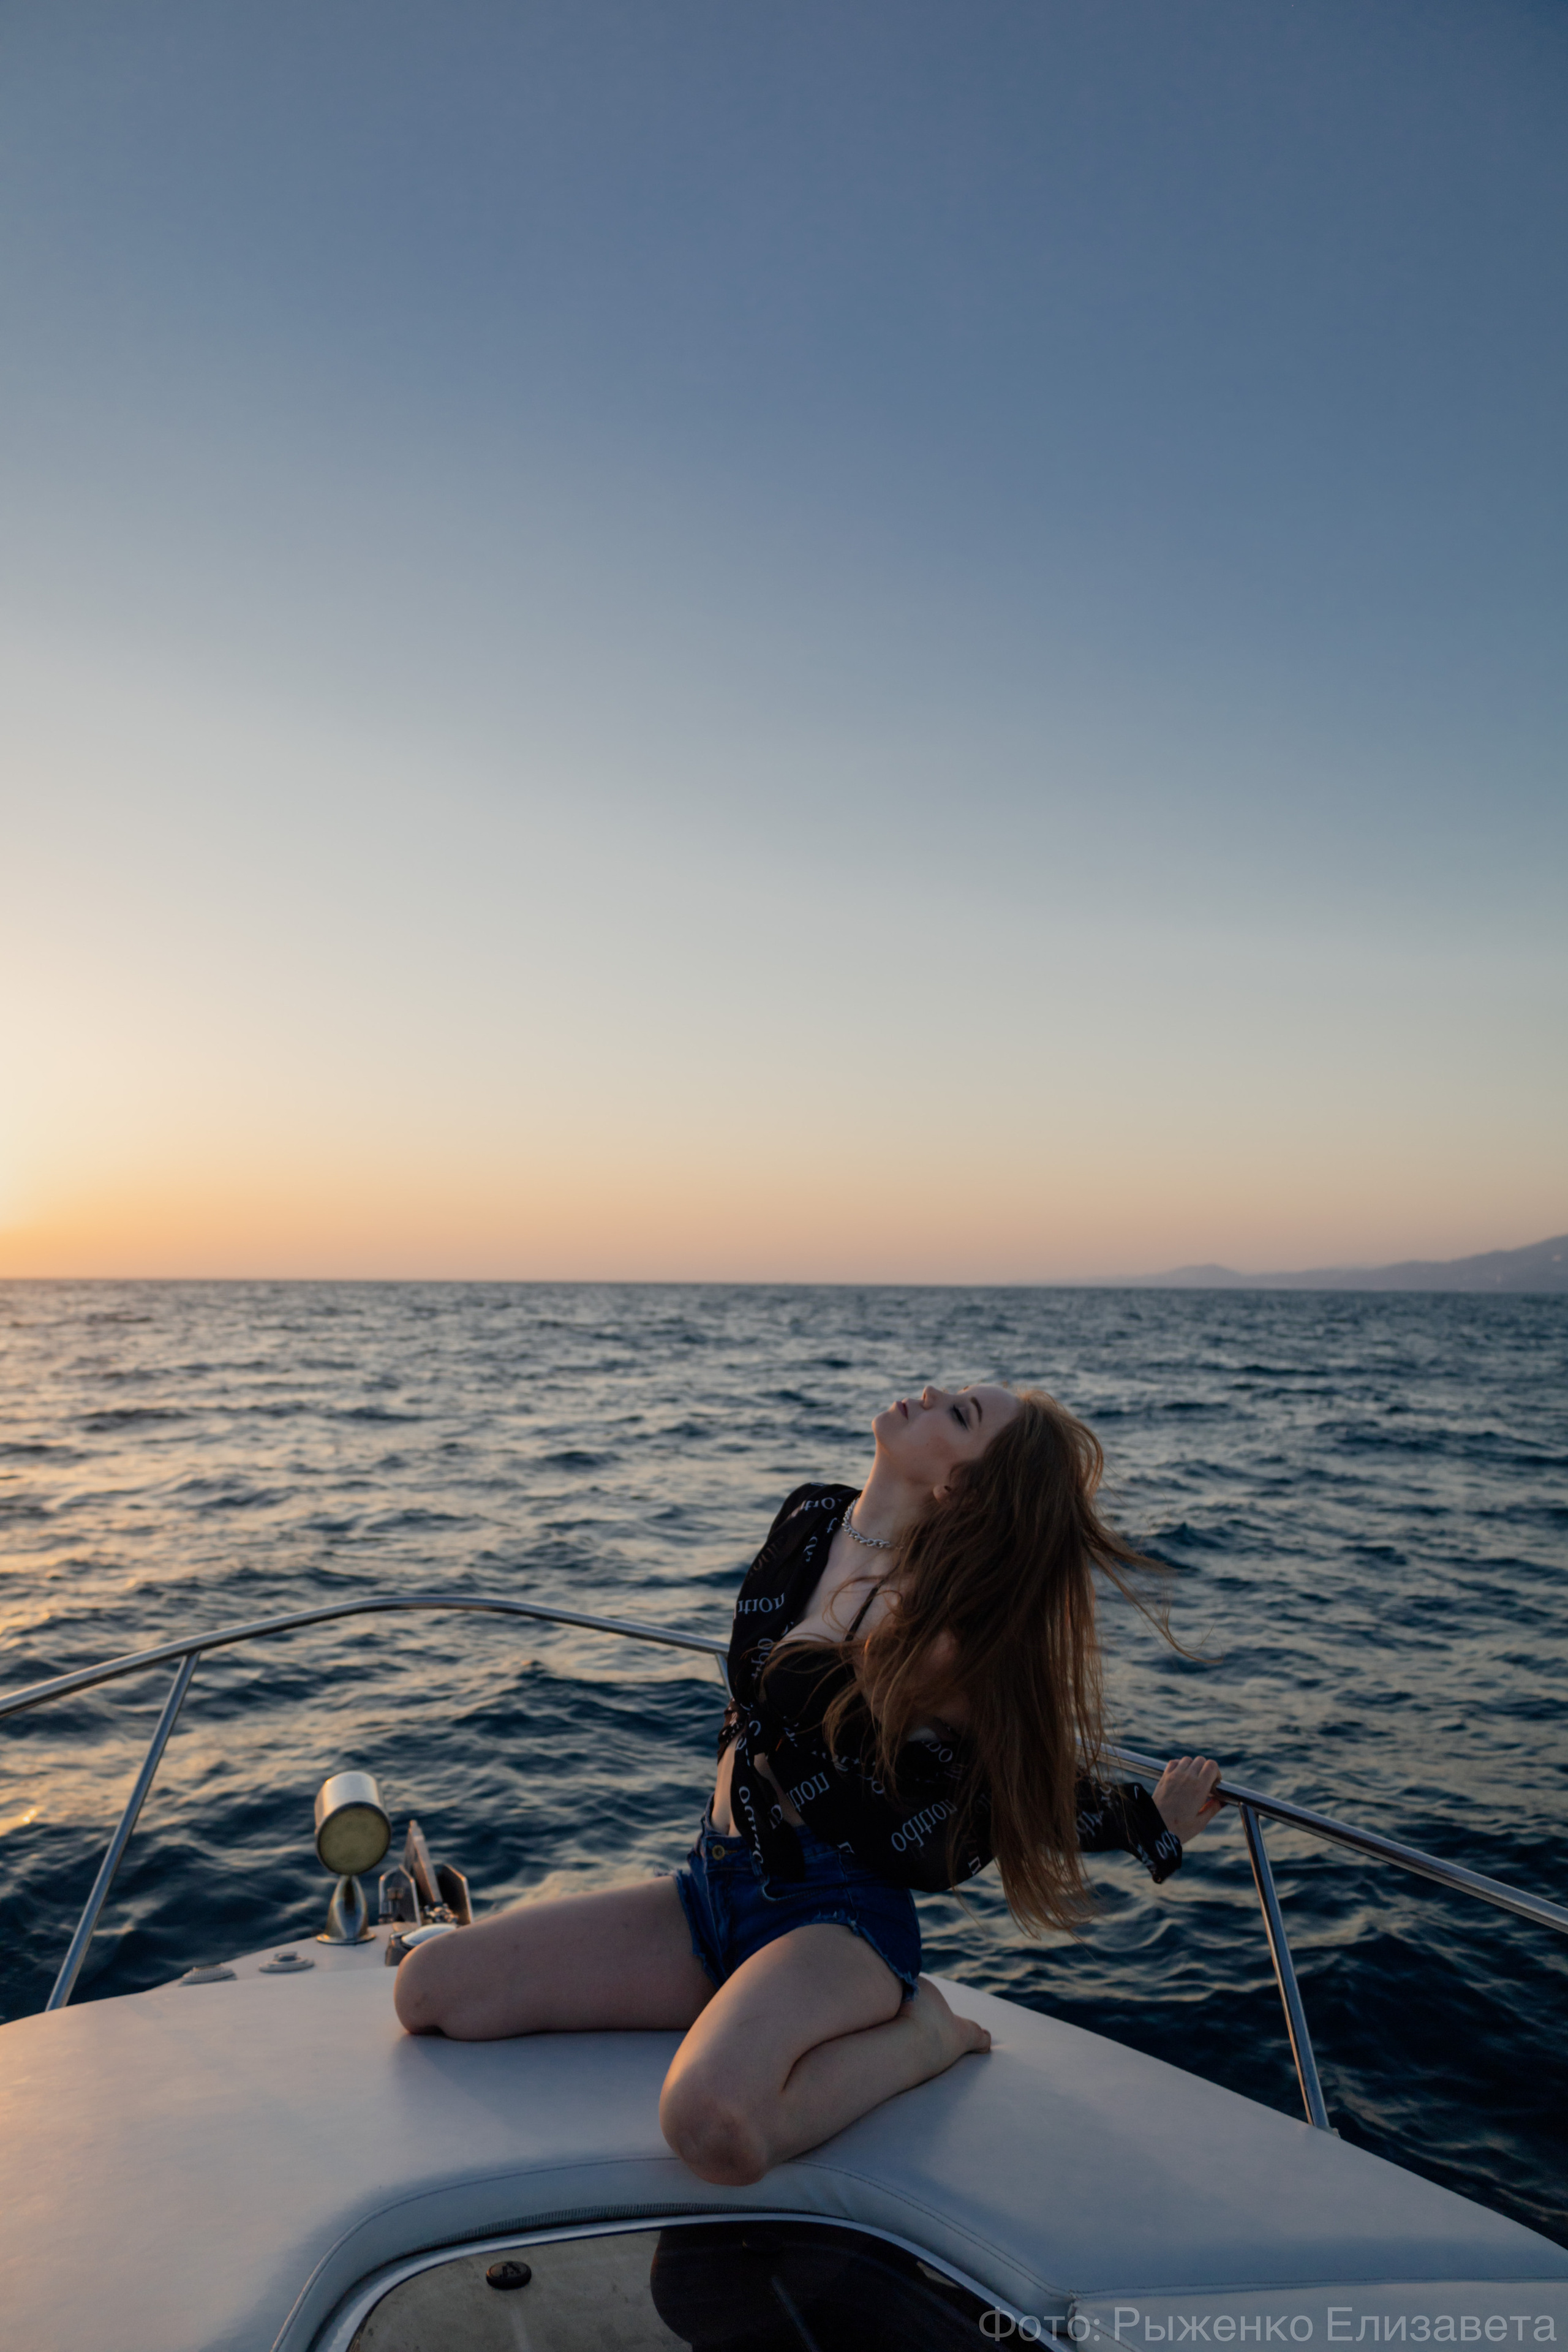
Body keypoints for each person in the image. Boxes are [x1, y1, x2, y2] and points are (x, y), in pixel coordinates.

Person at [394, 1382, 1224, 2187]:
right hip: (711, 1885)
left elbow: (1015, 1779)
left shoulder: (942, 1632)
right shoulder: (812, 1517)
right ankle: (751, 2005)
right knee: (431, 1993)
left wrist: (1151, 1821)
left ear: (960, 1486)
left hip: (836, 1919)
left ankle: (924, 2034)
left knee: (714, 2125)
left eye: (960, 1413)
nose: (931, 1392)